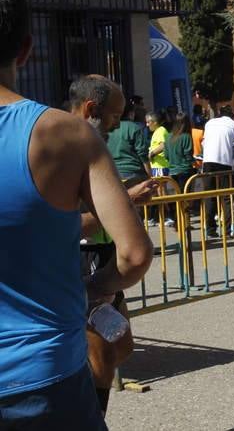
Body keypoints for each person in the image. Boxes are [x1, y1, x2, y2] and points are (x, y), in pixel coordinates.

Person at [0, 0, 152, 428]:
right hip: (44, 378)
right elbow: (135, 254)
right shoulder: (66, 135)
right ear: (26, 49)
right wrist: (92, 290)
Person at [68, 74, 158, 418]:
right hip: (82, 257)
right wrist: (125, 202)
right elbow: (65, 223)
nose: (117, 127)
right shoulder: (66, 148)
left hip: (104, 259)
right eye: (113, 119)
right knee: (102, 360)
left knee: (121, 345)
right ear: (91, 109)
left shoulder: (94, 144)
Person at [201, 105, 234, 238]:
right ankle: (228, 230)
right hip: (225, 163)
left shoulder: (209, 123)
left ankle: (210, 230)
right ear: (232, 115)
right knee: (227, 197)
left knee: (210, 196)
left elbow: (204, 142)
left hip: (207, 162)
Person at [107, 100, 151, 187]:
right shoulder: (134, 128)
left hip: (113, 174)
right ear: (131, 113)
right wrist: (150, 174)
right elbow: (142, 154)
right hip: (134, 174)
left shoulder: (108, 129)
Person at [165, 112, 195, 195]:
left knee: (176, 197)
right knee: (186, 196)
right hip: (185, 171)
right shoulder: (186, 136)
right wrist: (194, 162)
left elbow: (166, 155)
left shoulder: (168, 137)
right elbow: (188, 155)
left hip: (172, 172)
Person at [145, 110, 170, 178]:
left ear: (155, 122)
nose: (147, 125)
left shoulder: (160, 130)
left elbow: (163, 145)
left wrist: (151, 154)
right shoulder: (157, 131)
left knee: (160, 187)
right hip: (158, 166)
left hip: (160, 167)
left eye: (148, 122)